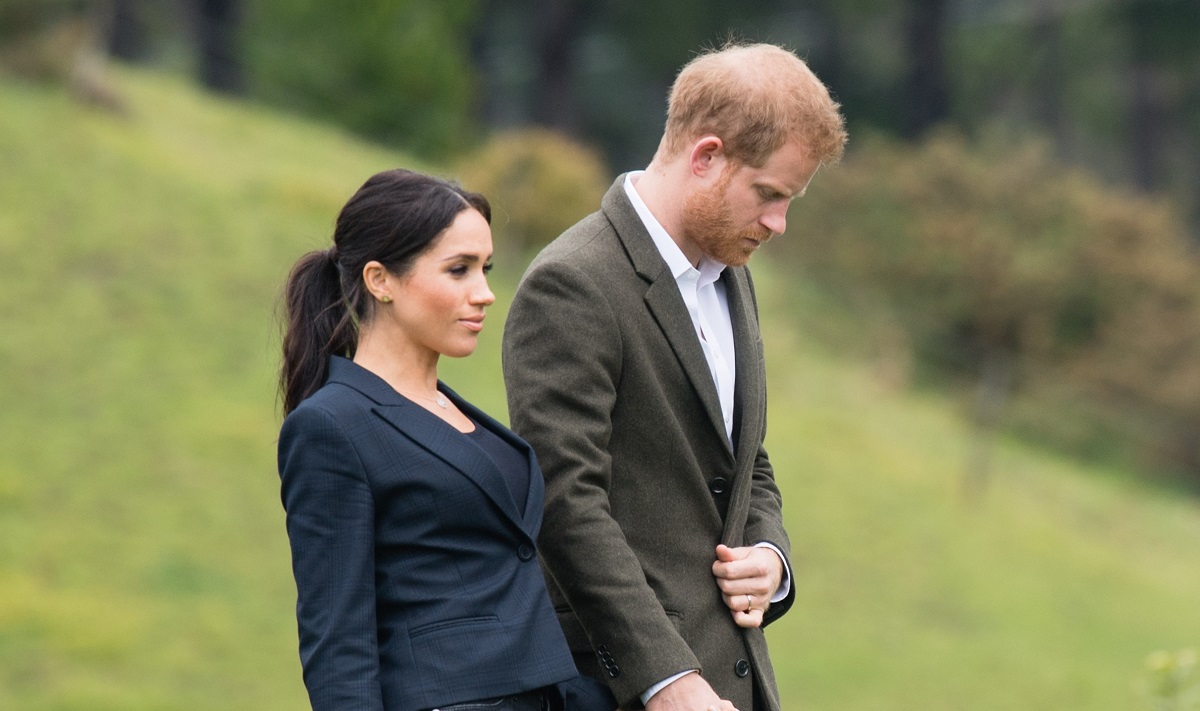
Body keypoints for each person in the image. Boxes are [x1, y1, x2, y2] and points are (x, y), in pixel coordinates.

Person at [501, 43, 847, 711]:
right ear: (707, 156)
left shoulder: (731, 274)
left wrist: (770, 556)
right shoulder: (572, 283)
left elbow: (745, 457)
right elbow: (564, 502)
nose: (778, 223)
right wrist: (665, 678)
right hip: (622, 693)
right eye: (769, 195)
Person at [277, 169, 607, 711]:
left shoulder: (453, 410)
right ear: (380, 280)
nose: (484, 294)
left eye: (485, 269)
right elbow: (338, 643)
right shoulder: (331, 426)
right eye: (459, 270)